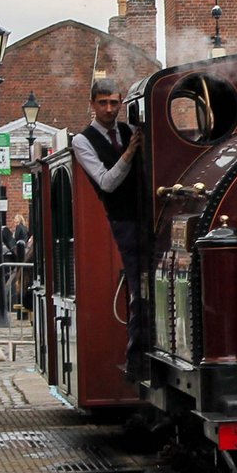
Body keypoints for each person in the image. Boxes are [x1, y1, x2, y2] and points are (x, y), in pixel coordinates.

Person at [72, 80, 147, 378]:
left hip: (146, 215)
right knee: (137, 286)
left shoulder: (130, 131)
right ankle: (135, 358)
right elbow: (106, 182)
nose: (109, 109)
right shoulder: (83, 140)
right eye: (103, 103)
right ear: (93, 104)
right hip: (123, 219)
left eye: (114, 103)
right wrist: (129, 153)